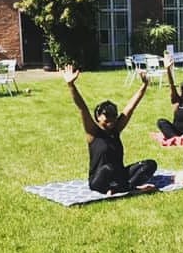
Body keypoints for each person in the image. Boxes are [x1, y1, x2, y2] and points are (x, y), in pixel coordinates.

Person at [64, 65, 157, 194]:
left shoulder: (116, 129)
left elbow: (131, 107)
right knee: (109, 168)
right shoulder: (93, 132)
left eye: (113, 117)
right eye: (106, 117)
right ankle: (127, 187)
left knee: (150, 164)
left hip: (119, 175)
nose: (111, 121)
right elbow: (82, 108)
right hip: (99, 179)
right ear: (98, 117)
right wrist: (71, 85)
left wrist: (144, 85)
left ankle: (124, 187)